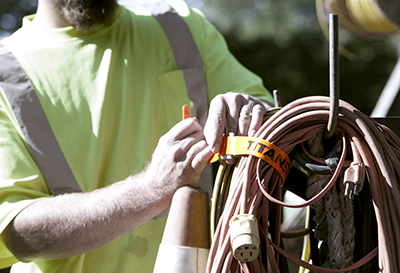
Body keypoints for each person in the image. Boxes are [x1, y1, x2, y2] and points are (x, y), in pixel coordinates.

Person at [0, 0, 273, 272]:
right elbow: (16, 231)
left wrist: (249, 110)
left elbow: (276, 125)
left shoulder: (180, 26)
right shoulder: (6, 75)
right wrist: (151, 190)